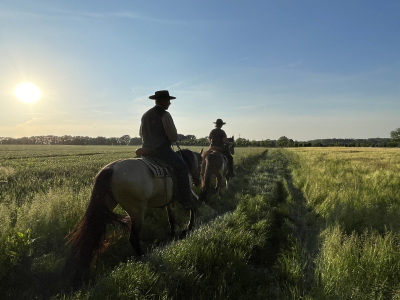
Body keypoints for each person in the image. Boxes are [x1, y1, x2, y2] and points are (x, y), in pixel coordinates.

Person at [139, 90, 195, 210]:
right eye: (168, 100)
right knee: (183, 167)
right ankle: (185, 200)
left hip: (146, 150)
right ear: (162, 101)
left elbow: (140, 134)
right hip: (161, 150)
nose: (170, 103)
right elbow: (173, 136)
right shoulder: (165, 115)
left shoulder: (145, 115)